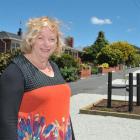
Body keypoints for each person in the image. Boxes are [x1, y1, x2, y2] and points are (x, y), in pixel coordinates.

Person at [0, 16, 75, 140]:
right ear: (31, 40)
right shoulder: (16, 71)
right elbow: (6, 121)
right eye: (40, 38)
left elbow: (63, 109)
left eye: (52, 39)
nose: (46, 44)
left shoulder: (54, 67)